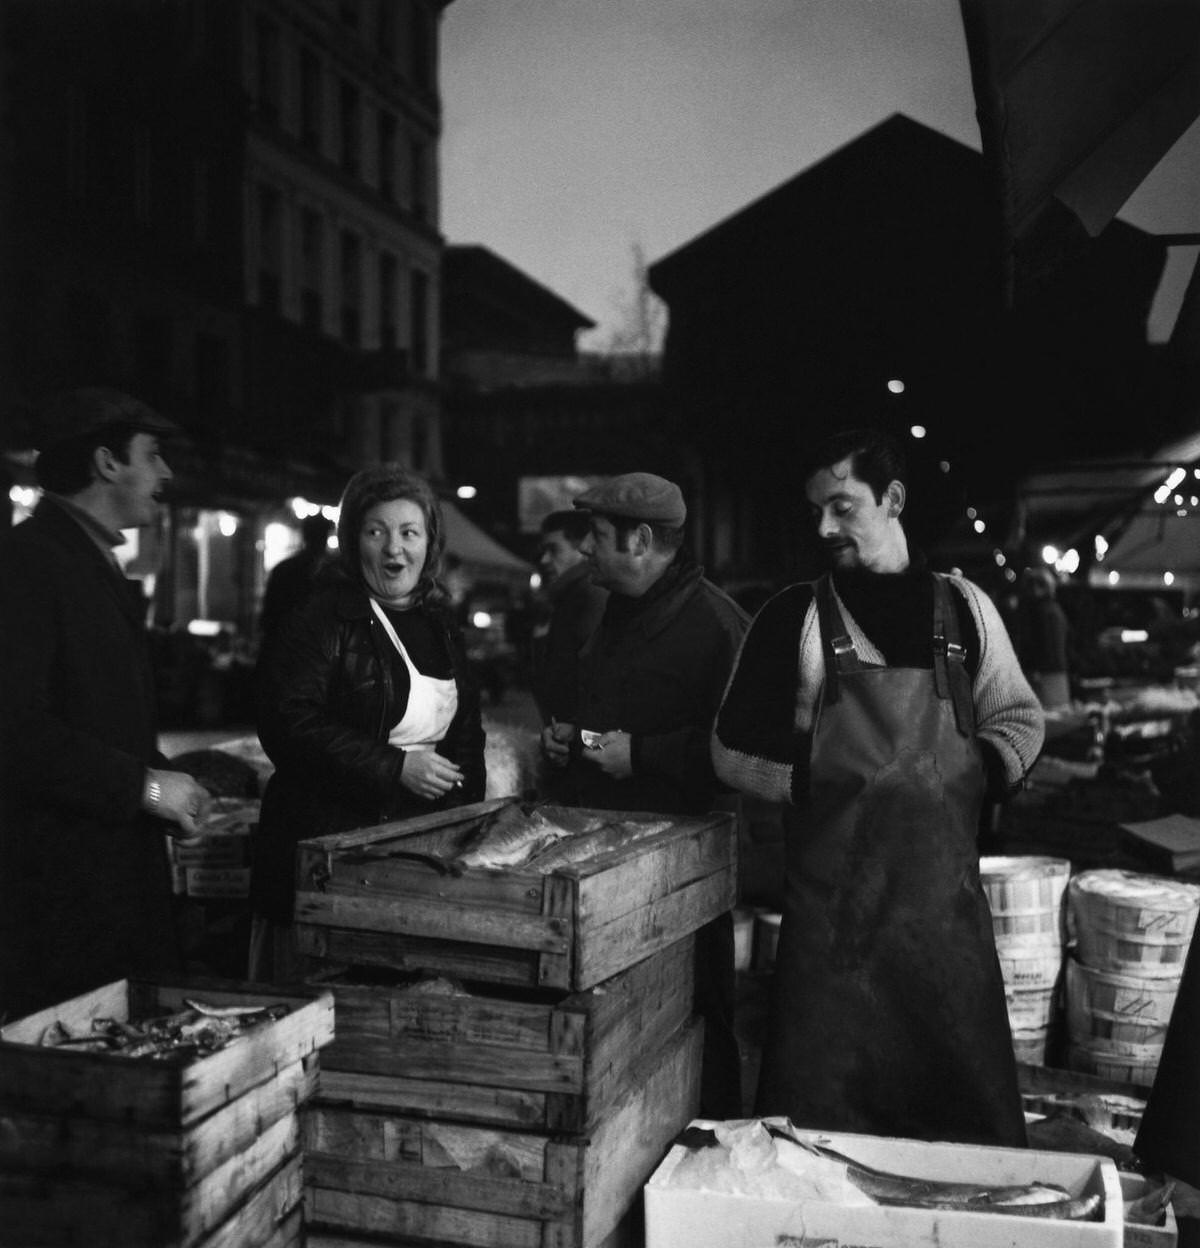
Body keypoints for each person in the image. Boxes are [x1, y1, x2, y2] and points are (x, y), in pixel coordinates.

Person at [712, 427, 1045, 1146]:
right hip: (832, 946)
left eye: (842, 506)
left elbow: (1019, 719)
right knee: (816, 1153)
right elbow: (728, 747)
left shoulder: (966, 609)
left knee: (963, 1150)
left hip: (944, 940)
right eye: (815, 512)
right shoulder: (792, 617)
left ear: (893, 499)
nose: (824, 527)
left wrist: (974, 769)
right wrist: (812, 776)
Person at [540, 472, 750, 1117]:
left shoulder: (719, 625)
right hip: (610, 866)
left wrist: (646, 755)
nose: (586, 552)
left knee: (689, 1027)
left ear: (638, 539)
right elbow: (616, 712)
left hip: (682, 879)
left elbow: (744, 751)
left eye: (597, 538)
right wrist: (574, 739)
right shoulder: (613, 612)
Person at [0, 387, 212, 1018]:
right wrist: (145, 787)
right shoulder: (29, 562)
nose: (166, 474)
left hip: (108, 886)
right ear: (107, 462)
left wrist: (169, 789)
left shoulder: (87, 560)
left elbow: (99, 717)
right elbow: (15, 729)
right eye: (153, 455)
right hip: (61, 899)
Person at [252, 464, 486, 979]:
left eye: (409, 533)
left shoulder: (440, 625)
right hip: (330, 850)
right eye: (376, 531)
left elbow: (468, 734)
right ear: (353, 539)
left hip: (416, 856)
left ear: (430, 542)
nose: (393, 549)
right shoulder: (322, 617)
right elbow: (286, 722)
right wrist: (394, 767)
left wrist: (463, 833)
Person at [530, 509, 608, 723]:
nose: (544, 560)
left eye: (553, 549)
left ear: (583, 548)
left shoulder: (590, 596)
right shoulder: (565, 597)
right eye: (543, 551)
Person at [259, 512, 334, 654]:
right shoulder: (334, 571)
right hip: (308, 650)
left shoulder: (284, 569)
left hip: (288, 648)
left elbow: (268, 617)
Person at [1016, 566, 1071, 710]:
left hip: (1043, 675)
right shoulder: (1055, 609)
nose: (1033, 589)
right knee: (1058, 716)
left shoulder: (1039, 612)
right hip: (1056, 672)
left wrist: (1033, 670)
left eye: (1038, 584)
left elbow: (1037, 645)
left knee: (1046, 719)